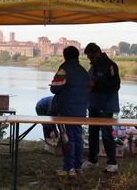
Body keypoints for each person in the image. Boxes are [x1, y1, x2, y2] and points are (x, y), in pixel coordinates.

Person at [50, 46, 89, 177]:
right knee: (78, 138)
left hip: (66, 110)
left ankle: (68, 168)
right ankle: (78, 166)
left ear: (65, 56)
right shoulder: (84, 71)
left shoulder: (64, 69)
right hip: (80, 111)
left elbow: (55, 88)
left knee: (67, 138)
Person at [82, 42, 121, 173]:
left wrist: (96, 84)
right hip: (93, 105)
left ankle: (112, 162)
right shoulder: (93, 67)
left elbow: (114, 86)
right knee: (92, 134)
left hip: (106, 106)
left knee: (106, 134)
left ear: (98, 52)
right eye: (88, 57)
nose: (90, 59)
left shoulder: (110, 66)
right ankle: (92, 160)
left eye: (91, 56)